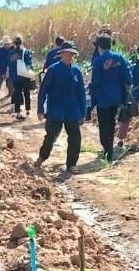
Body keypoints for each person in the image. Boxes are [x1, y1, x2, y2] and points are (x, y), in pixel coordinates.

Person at [35, 42, 85, 172]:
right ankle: (42, 157)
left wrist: (82, 113)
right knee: (51, 136)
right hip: (56, 110)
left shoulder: (76, 71)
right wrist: (40, 109)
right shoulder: (53, 69)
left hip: (72, 110)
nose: (70, 56)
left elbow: (81, 93)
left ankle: (71, 164)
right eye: (67, 53)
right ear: (62, 54)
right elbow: (43, 90)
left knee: (75, 137)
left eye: (72, 54)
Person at [88, 34, 132, 162]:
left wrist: (90, 87)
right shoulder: (119, 58)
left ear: (99, 46)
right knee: (112, 122)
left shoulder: (98, 61)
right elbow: (128, 78)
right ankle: (109, 149)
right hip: (117, 96)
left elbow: (96, 81)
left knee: (103, 124)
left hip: (103, 97)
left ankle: (107, 150)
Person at [7, 34, 35, 119]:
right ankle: (27, 110)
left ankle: (18, 112)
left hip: (15, 77)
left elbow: (9, 65)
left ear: (14, 43)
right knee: (27, 93)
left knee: (18, 93)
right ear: (21, 42)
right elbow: (29, 64)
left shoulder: (11, 53)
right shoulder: (26, 52)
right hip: (24, 76)